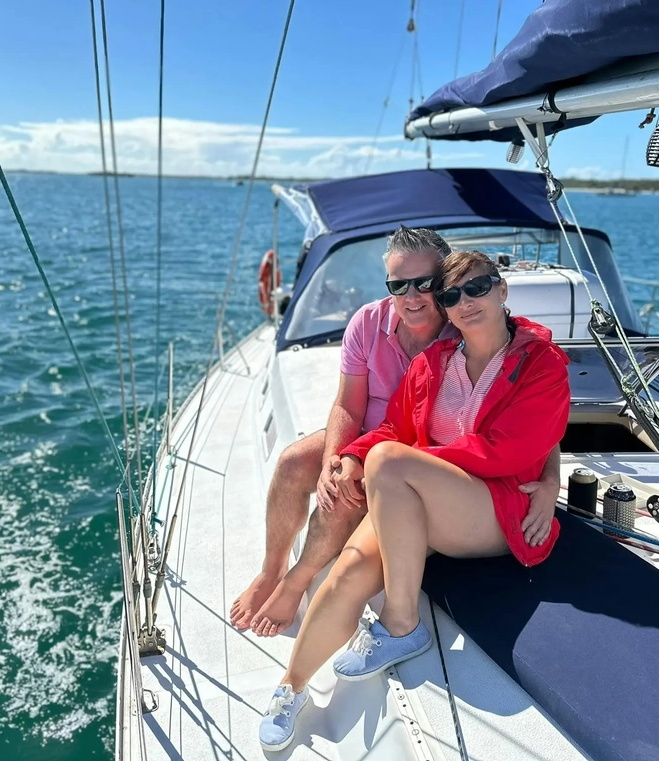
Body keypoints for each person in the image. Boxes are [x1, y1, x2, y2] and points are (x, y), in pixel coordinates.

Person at [258, 250, 572, 752]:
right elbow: (392, 428)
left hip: (498, 510)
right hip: (422, 500)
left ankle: (401, 623)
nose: (465, 302)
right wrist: (356, 457)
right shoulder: (434, 364)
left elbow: (511, 450)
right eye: (452, 295)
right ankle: (289, 688)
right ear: (445, 309)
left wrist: (402, 460)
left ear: (502, 290)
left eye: (478, 288)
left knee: (391, 460)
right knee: (347, 572)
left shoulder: (540, 364)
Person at [230, 228, 562, 639]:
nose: (412, 296)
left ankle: (295, 582)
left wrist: (550, 481)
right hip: (374, 437)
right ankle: (271, 569)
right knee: (295, 462)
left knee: (357, 491)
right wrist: (336, 459)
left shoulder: (466, 324)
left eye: (425, 283)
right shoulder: (367, 323)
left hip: (422, 456)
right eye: (398, 284)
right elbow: (348, 405)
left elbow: (532, 416)